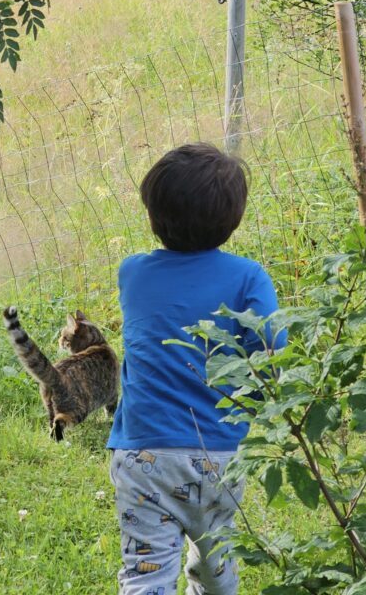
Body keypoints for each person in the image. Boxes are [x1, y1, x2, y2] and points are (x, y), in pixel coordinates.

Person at [108, 143, 286, 595]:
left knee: (146, 569)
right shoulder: (249, 277)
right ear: (233, 220)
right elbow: (272, 349)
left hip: (142, 454)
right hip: (220, 453)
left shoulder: (133, 273)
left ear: (154, 215)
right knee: (215, 560)